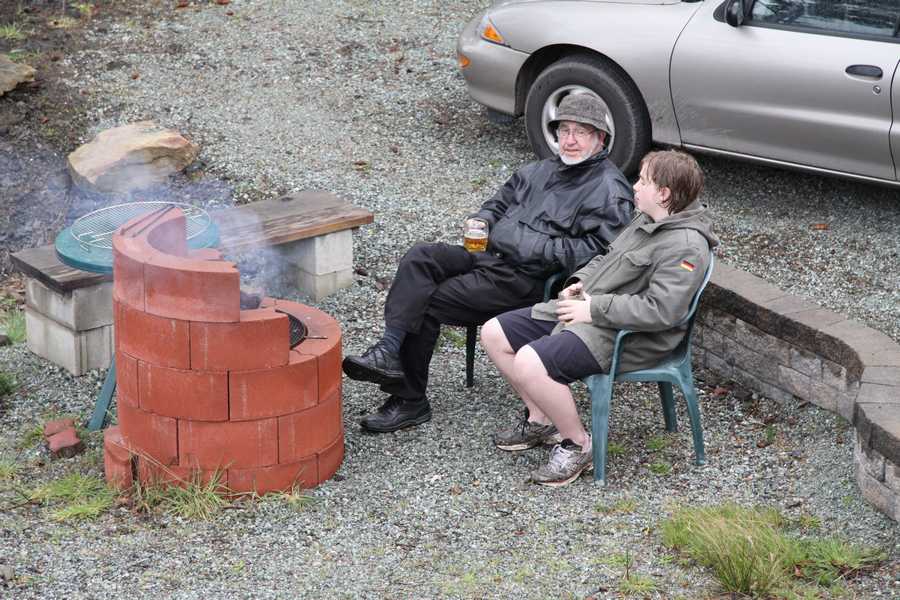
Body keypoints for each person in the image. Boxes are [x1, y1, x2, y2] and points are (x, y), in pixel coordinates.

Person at [342, 94, 635, 433]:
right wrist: (481, 221)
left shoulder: (608, 189)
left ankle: (409, 400)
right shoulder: (540, 169)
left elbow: (600, 253)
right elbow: (496, 204)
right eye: (565, 130)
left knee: (425, 300)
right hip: (487, 256)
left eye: (580, 132)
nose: (569, 140)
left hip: (525, 279)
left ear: (600, 138)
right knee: (421, 255)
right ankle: (390, 349)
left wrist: (532, 245)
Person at [480, 150, 718, 486]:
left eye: (643, 182)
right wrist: (579, 283)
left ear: (664, 194)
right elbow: (605, 258)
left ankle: (577, 444)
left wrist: (593, 309)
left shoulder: (686, 246)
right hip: (590, 310)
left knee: (530, 362)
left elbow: (661, 311)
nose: (634, 187)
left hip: (628, 336)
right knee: (494, 333)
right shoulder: (647, 219)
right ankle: (541, 418)